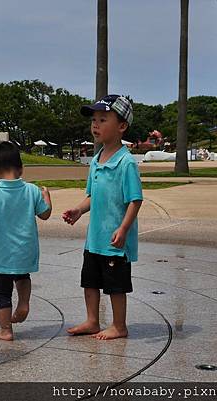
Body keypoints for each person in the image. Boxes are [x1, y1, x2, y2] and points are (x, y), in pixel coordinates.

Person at [62, 94, 143, 340]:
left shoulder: (126, 162)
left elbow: (135, 200)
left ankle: (119, 326)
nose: (95, 125)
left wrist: (124, 229)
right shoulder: (96, 160)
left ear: (121, 126)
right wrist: (78, 210)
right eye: (94, 120)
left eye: (103, 119)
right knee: (90, 281)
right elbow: (92, 196)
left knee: (116, 286)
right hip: (95, 238)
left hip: (114, 240)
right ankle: (92, 320)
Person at [0, 141, 52, 341]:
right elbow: (45, 215)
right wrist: (47, 198)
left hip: (3, 254)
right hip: (26, 251)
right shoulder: (33, 190)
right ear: (21, 169)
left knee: (1, 292)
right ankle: (24, 302)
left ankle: (5, 330)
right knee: (22, 277)